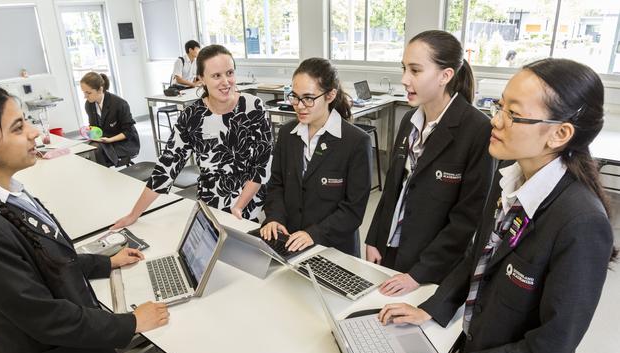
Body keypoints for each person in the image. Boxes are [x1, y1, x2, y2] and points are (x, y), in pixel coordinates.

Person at [377, 58, 618, 353]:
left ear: (560, 134)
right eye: (499, 106)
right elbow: (478, 257)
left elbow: (549, 350)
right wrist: (433, 307)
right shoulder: (508, 176)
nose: (496, 121)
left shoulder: (581, 223)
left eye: (513, 114)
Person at [0, 85, 169, 353]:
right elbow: (46, 318)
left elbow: (46, 257)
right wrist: (131, 323)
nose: (34, 133)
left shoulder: (7, 191)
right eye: (17, 128)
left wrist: (105, 263)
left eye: (26, 120)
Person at [365, 30, 493, 295]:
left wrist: (418, 274)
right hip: (391, 250)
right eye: (403, 69)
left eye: (415, 70)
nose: (404, 79)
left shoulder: (477, 130)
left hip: (432, 266)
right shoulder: (409, 121)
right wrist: (374, 239)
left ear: (445, 76)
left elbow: (467, 219)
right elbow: (392, 189)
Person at [112, 44, 272, 228]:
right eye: (216, 75)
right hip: (210, 203)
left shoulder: (253, 106)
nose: (226, 81)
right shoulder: (192, 116)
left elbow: (262, 165)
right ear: (201, 79)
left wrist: (238, 207)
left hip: (249, 201)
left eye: (229, 73)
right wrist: (134, 214)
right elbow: (167, 166)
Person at [260, 58, 372, 257]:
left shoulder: (355, 142)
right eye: (294, 97)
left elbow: (353, 210)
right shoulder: (287, 134)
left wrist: (314, 234)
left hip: (334, 249)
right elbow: (276, 185)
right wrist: (274, 217)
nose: (299, 106)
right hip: (291, 243)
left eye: (308, 98)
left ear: (330, 95)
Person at [80, 72, 140, 167]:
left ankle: (104, 178)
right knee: (86, 149)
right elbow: (94, 127)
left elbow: (129, 132)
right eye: (84, 93)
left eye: (88, 93)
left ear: (100, 89)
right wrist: (88, 133)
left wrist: (110, 140)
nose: (85, 96)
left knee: (95, 150)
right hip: (104, 139)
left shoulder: (119, 104)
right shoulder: (89, 104)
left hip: (125, 142)